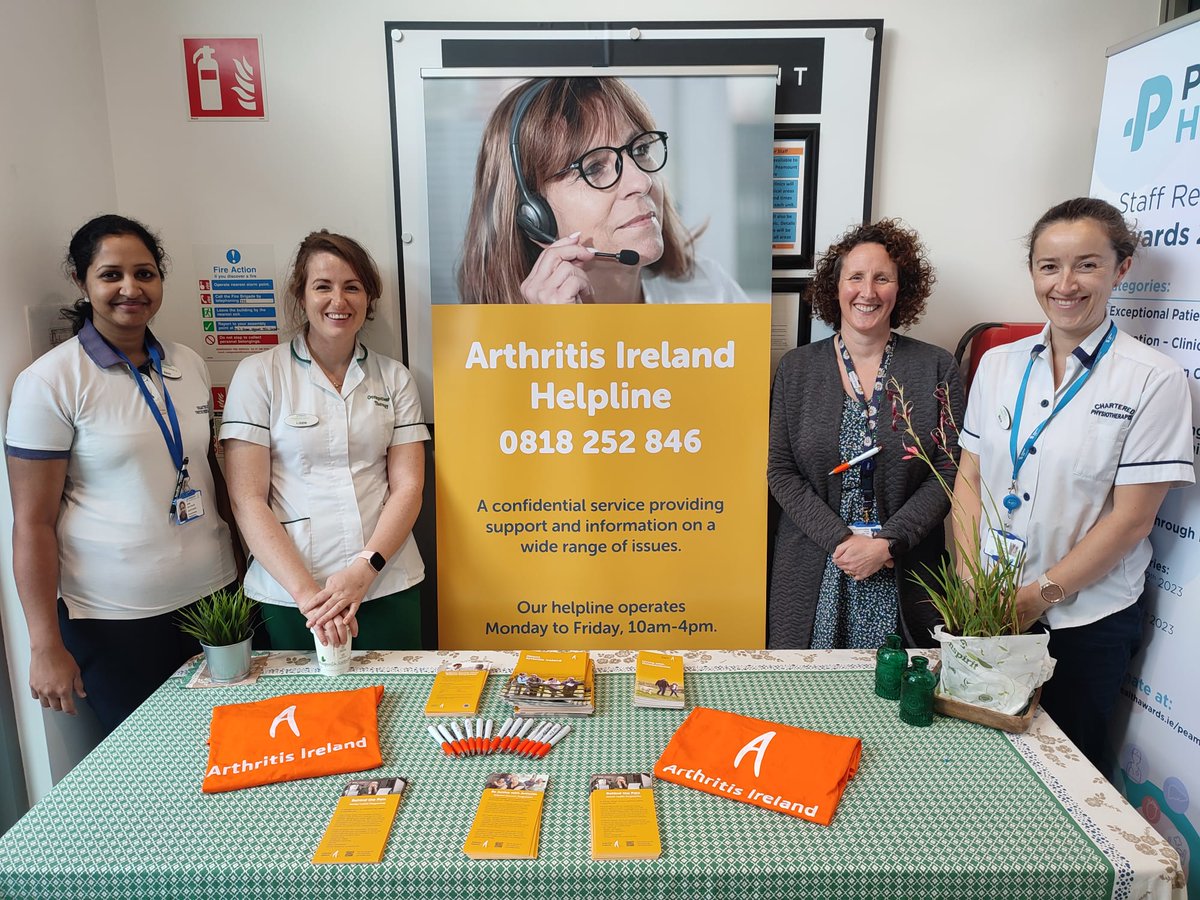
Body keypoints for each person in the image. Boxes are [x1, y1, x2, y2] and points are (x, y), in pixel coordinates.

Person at [954, 198, 1194, 768]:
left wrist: (1036, 599)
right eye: (1049, 266)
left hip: (1085, 622)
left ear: (1121, 267)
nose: (1065, 284)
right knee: (980, 764)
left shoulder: (1153, 381)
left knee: (1065, 776)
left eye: (1086, 264)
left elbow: (1132, 519)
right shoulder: (998, 365)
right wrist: (969, 580)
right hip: (990, 607)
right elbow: (971, 478)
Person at [5, 214, 239, 733]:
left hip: (216, 598)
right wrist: (44, 644)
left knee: (236, 749)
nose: (130, 288)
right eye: (111, 274)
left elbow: (208, 474)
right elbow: (32, 523)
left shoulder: (187, 363)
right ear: (81, 281)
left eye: (145, 273)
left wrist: (243, 574)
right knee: (151, 766)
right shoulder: (49, 382)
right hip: (116, 618)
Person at [221, 231, 428, 650]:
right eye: (323, 286)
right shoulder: (259, 374)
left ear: (368, 297)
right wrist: (311, 600)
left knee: (401, 706)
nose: (339, 300)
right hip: (292, 592)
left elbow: (408, 486)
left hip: (385, 581)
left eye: (352, 287)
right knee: (305, 710)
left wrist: (363, 571)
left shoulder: (394, 378)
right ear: (301, 295)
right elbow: (247, 499)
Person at [768, 219, 964, 650]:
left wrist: (887, 544)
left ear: (901, 288)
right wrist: (842, 541)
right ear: (835, 287)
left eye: (882, 278)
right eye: (855, 277)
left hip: (903, 564)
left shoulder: (936, 367)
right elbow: (781, 472)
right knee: (804, 700)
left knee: (895, 696)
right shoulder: (797, 370)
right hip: (816, 563)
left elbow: (949, 472)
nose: (868, 291)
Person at [458, 76, 748, 305]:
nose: (642, 182)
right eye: (595, 167)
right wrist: (555, 343)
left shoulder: (710, 292)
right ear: (533, 216)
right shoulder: (495, 351)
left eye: (641, 149)